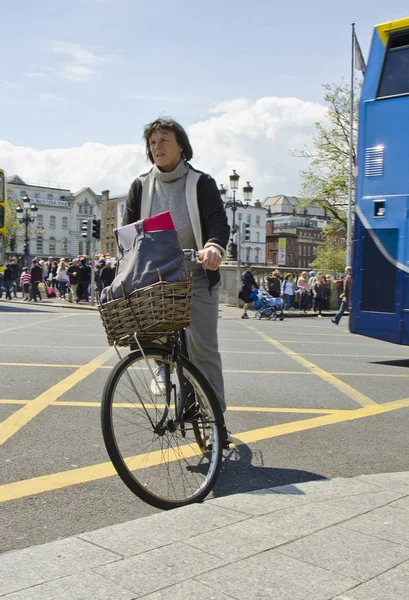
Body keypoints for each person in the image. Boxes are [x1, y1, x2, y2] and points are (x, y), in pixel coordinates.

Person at [122, 117, 231, 444]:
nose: (157, 147)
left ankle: (217, 421)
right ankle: (165, 369)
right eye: (152, 142)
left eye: (164, 140)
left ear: (181, 145)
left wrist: (213, 246)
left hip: (196, 275)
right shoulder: (140, 186)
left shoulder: (201, 183)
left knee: (203, 350)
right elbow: (126, 235)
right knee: (153, 337)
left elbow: (218, 223)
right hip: (156, 279)